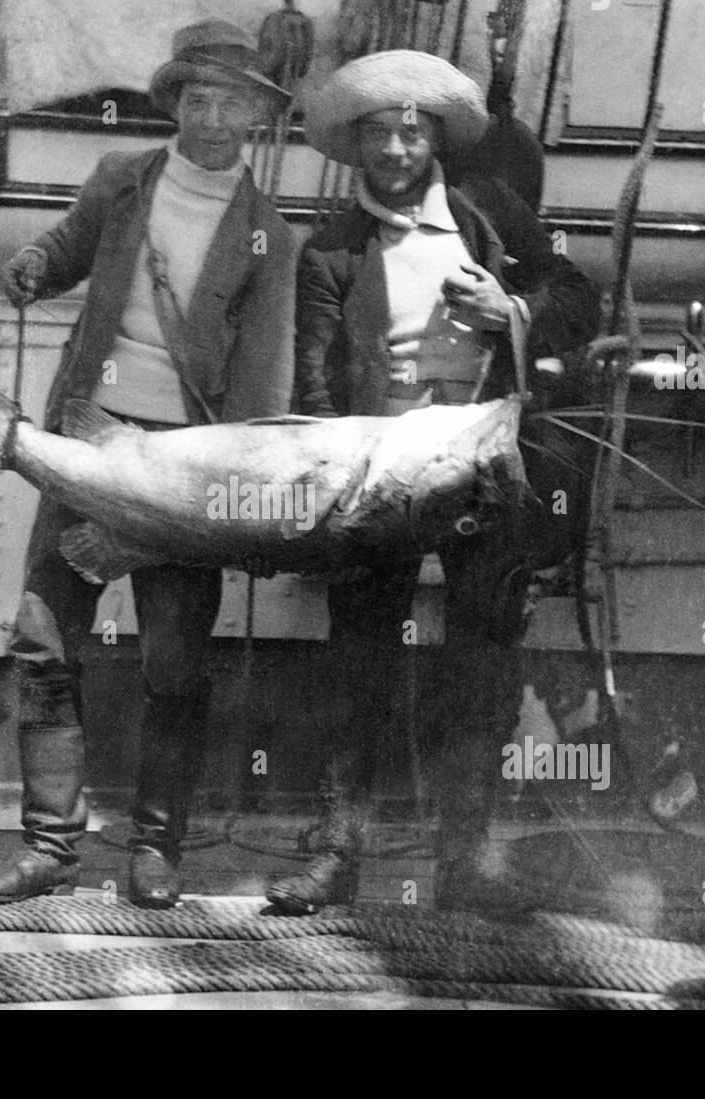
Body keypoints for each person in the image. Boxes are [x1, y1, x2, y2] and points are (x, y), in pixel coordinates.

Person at [0, 20, 295, 908]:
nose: (213, 115)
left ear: (258, 114)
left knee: (174, 665)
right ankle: (48, 845)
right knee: (42, 634)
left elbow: (262, 388)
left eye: (232, 100)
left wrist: (237, 497)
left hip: (186, 475)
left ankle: (156, 849)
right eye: (198, 96)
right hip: (87, 441)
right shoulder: (121, 181)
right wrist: (34, 262)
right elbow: (67, 250)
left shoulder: (270, 236)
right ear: (175, 102)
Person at [267, 50, 599, 914]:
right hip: (378, 474)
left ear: (438, 136)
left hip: (483, 471)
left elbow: (578, 291)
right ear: (356, 145)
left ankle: (465, 859)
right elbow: (313, 392)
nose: (398, 147)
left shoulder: (494, 216)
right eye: (379, 131)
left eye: (413, 129)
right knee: (360, 661)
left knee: (482, 661)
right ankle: (340, 855)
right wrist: (331, 491)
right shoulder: (331, 251)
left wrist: (514, 312)